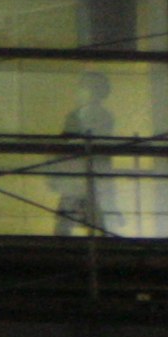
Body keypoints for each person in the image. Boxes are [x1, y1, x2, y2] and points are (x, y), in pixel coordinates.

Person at [54, 72, 119, 237]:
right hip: (88, 175)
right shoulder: (101, 115)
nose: (79, 92)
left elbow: (77, 143)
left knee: (68, 218)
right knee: (92, 214)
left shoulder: (89, 115)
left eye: (83, 87)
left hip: (82, 174)